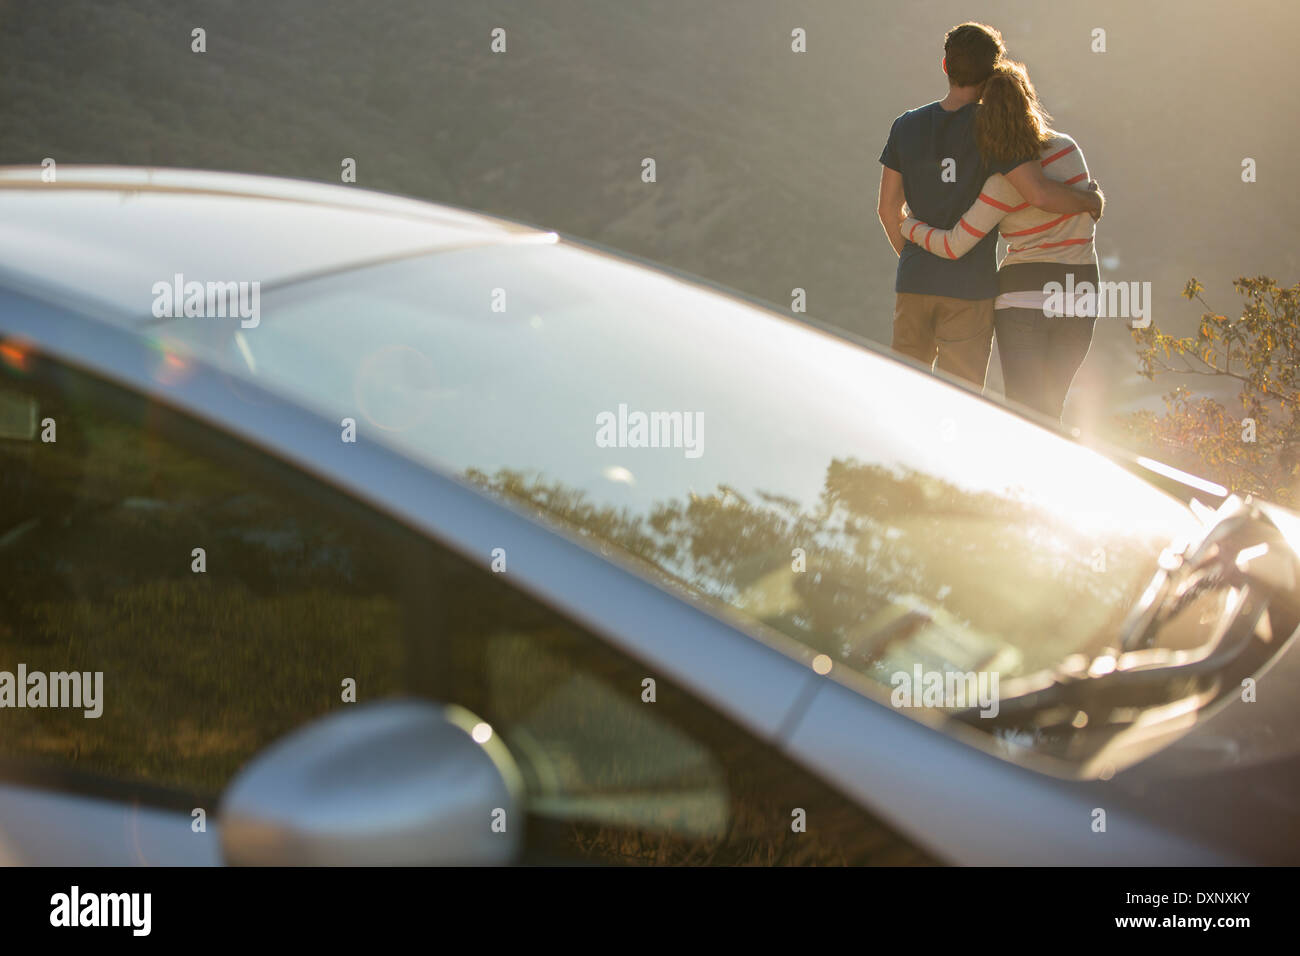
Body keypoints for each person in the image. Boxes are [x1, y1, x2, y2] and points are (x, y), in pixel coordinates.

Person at [877, 22, 1101, 390]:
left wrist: (916, 258)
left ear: (946, 66)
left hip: (914, 281)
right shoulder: (997, 130)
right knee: (961, 402)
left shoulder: (905, 125)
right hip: (971, 288)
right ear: (994, 68)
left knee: (905, 393)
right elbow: (1039, 193)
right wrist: (1090, 200)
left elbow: (888, 211)